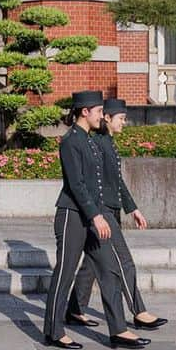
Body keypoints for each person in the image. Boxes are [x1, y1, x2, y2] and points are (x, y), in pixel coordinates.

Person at [41, 90, 151, 350]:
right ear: (84, 112)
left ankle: (119, 331)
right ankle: (54, 331)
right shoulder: (70, 142)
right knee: (65, 273)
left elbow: (99, 184)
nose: (103, 116)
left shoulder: (91, 141)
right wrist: (96, 215)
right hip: (72, 216)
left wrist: (108, 213)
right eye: (100, 111)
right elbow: (77, 185)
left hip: (93, 217)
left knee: (109, 270)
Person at [65, 97, 167, 333]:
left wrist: (132, 208)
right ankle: (138, 311)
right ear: (107, 118)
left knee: (90, 264)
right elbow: (91, 183)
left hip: (108, 209)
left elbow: (116, 182)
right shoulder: (98, 143)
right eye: (120, 118)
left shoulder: (106, 142)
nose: (124, 122)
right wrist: (97, 214)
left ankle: (74, 309)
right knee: (124, 261)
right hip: (102, 212)